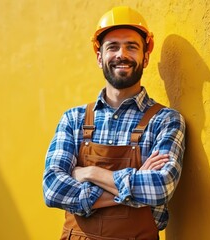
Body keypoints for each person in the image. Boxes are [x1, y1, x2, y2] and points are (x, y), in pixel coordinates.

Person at [42, 6, 186, 240]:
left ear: (145, 57)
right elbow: (52, 189)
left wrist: (89, 172)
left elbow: (160, 187)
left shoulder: (166, 121)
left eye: (132, 46)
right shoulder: (74, 119)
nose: (122, 54)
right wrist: (135, 186)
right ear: (100, 58)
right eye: (113, 47)